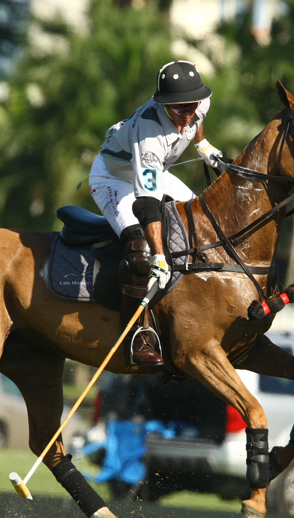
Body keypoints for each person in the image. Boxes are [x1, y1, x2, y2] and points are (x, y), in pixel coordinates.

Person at [88, 60, 223, 367]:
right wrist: (159, 256)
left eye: (192, 105)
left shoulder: (199, 103)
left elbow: (197, 119)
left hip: (156, 172)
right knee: (141, 252)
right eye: (179, 108)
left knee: (203, 224)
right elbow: (147, 205)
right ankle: (139, 335)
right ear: (164, 104)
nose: (187, 114)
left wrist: (202, 144)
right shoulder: (149, 134)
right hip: (113, 178)